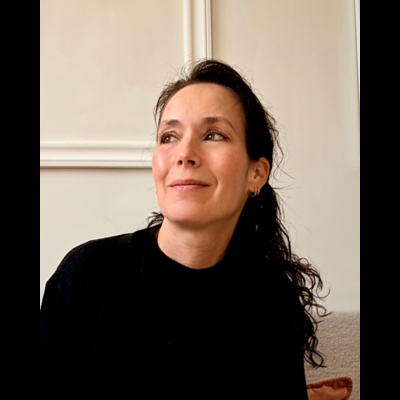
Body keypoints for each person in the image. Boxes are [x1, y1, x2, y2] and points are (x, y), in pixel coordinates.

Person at [40, 60, 328, 397]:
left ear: (256, 174)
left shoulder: (272, 300)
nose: (185, 154)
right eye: (169, 137)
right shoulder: (87, 277)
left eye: (213, 135)